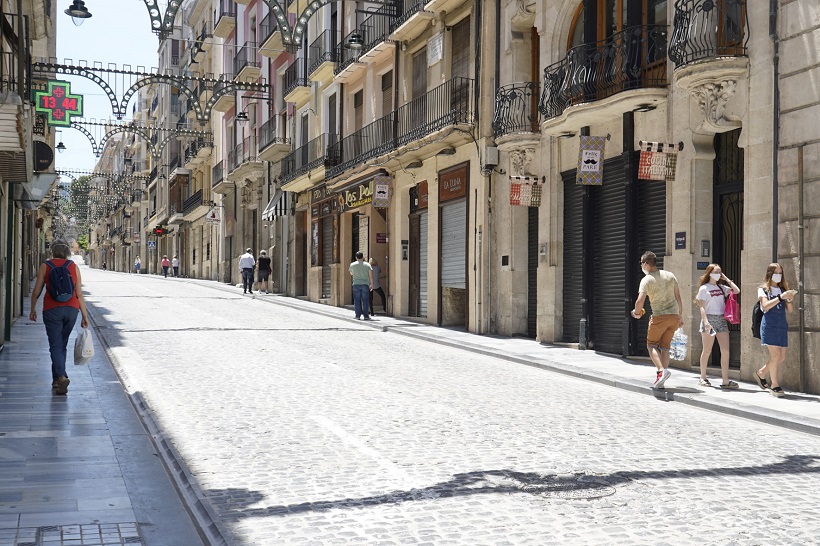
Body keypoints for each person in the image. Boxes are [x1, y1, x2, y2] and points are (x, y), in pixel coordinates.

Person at [28, 239, 89, 395]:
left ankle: (61, 376)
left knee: (55, 345)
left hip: (52, 310)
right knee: (62, 344)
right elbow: (79, 293)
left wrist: (32, 309)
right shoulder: (73, 267)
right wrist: (84, 315)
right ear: (67, 252)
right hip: (71, 310)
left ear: (53, 251)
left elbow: (36, 291)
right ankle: (56, 380)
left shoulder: (45, 266)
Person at [631, 251, 684, 389]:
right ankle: (661, 380)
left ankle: (661, 371)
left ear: (647, 264)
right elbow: (678, 297)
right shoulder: (670, 276)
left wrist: (636, 313)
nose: (641, 266)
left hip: (659, 316)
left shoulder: (647, 280)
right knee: (665, 347)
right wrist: (680, 315)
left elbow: (639, 301)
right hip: (674, 317)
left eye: (642, 263)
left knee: (652, 345)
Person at [754, 263, 797, 397]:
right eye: (775, 273)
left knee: (781, 357)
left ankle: (761, 373)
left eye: (780, 273)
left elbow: (790, 311)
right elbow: (766, 306)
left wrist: (789, 300)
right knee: (776, 356)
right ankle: (774, 385)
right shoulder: (763, 290)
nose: (778, 276)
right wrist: (780, 298)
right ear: (769, 274)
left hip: (781, 325)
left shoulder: (783, 288)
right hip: (769, 325)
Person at [694, 264, 740, 389]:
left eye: (720, 272)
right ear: (709, 273)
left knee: (725, 350)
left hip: (721, 319)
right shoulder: (704, 288)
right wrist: (706, 322)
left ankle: (725, 380)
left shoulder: (721, 287)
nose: (718, 274)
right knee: (707, 350)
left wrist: (727, 279)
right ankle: (702, 377)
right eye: (716, 272)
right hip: (709, 318)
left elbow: (736, 290)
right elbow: (702, 307)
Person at [349, 251, 373, 320]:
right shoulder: (367, 265)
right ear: (363, 257)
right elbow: (370, 275)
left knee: (357, 300)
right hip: (365, 284)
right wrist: (371, 284)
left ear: (356, 257)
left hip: (356, 284)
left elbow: (351, 273)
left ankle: (357, 316)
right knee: (365, 300)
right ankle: (366, 316)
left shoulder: (352, 265)